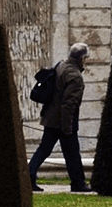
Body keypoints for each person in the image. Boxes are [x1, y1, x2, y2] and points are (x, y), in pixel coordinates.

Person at [29, 42, 90, 192]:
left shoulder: (61, 65)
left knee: (44, 149)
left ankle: (28, 176)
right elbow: (69, 104)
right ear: (82, 59)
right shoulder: (75, 77)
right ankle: (78, 184)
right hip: (62, 121)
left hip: (51, 117)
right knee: (72, 153)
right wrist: (67, 128)